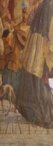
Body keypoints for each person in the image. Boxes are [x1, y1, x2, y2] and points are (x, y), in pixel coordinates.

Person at [16, 0, 53, 128]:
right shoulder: (50, 5)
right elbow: (51, 33)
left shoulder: (43, 4)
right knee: (43, 84)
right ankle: (45, 118)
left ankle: (42, 116)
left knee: (38, 83)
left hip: (35, 46)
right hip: (43, 48)